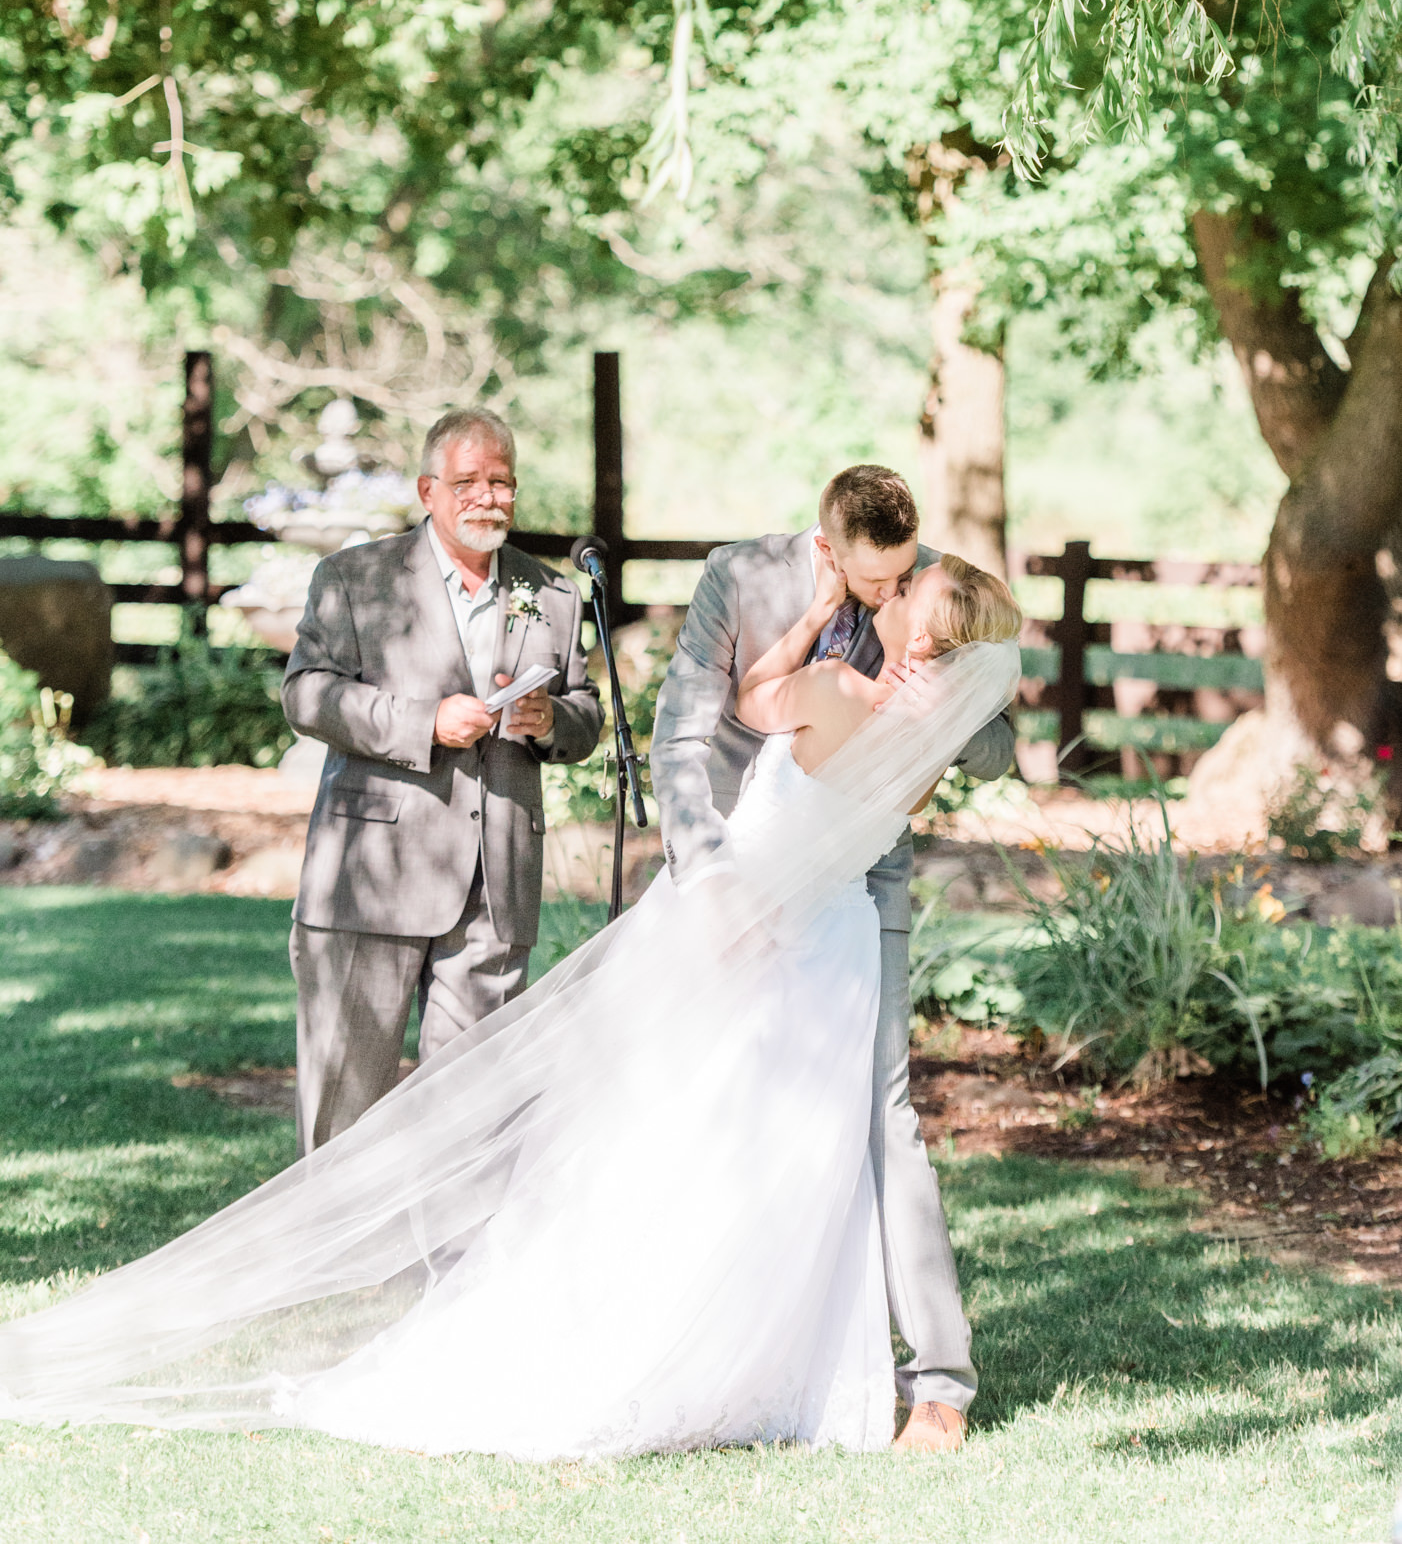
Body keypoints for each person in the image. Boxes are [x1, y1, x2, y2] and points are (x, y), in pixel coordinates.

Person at [0, 559, 1021, 1456]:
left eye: (906, 601)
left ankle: (632, 1341)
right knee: (789, 1149)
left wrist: (815, 613)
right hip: (831, 947)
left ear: (916, 629)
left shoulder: (835, 685)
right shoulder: (923, 745)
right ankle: (761, 1364)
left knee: (658, 1128)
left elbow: (752, 700)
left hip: (733, 919)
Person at [649, 466, 1016, 1450]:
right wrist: (708, 876)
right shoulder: (740, 578)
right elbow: (686, 728)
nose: (885, 592)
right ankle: (721, 1345)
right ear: (827, 547)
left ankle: (940, 1381)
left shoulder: (936, 592)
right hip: (741, 866)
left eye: (900, 575)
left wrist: (935, 696)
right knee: (710, 1092)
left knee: (881, 1117)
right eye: (869, 579)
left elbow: (998, 746)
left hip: (863, 880)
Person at [280, 406, 603, 1153]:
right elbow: (305, 694)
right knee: (342, 1107)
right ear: (428, 490)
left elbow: (585, 715)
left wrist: (547, 720)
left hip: (497, 885)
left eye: (501, 481)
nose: (487, 497)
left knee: (471, 1115)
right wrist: (423, 721)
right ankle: (335, 1268)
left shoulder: (552, 593)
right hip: (373, 877)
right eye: (467, 482)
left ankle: (456, 1271)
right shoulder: (356, 578)